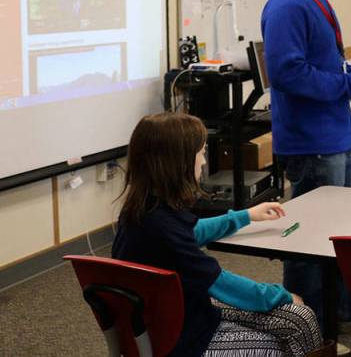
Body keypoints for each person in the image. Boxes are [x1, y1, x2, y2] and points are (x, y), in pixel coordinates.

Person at [112, 113, 322, 357]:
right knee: (297, 322)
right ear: (177, 162)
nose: (202, 162)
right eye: (200, 153)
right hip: (185, 339)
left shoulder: (143, 211)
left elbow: (192, 231)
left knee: (298, 319)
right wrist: (284, 294)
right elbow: (224, 285)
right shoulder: (164, 229)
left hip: (166, 320)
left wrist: (244, 216)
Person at [261, 0, 351, 338]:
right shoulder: (289, 3)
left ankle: (341, 312)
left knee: (341, 235)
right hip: (312, 142)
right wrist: (346, 84)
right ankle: (307, 325)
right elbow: (287, 73)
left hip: (333, 134)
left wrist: (349, 77)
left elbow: (318, 61)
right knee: (309, 241)